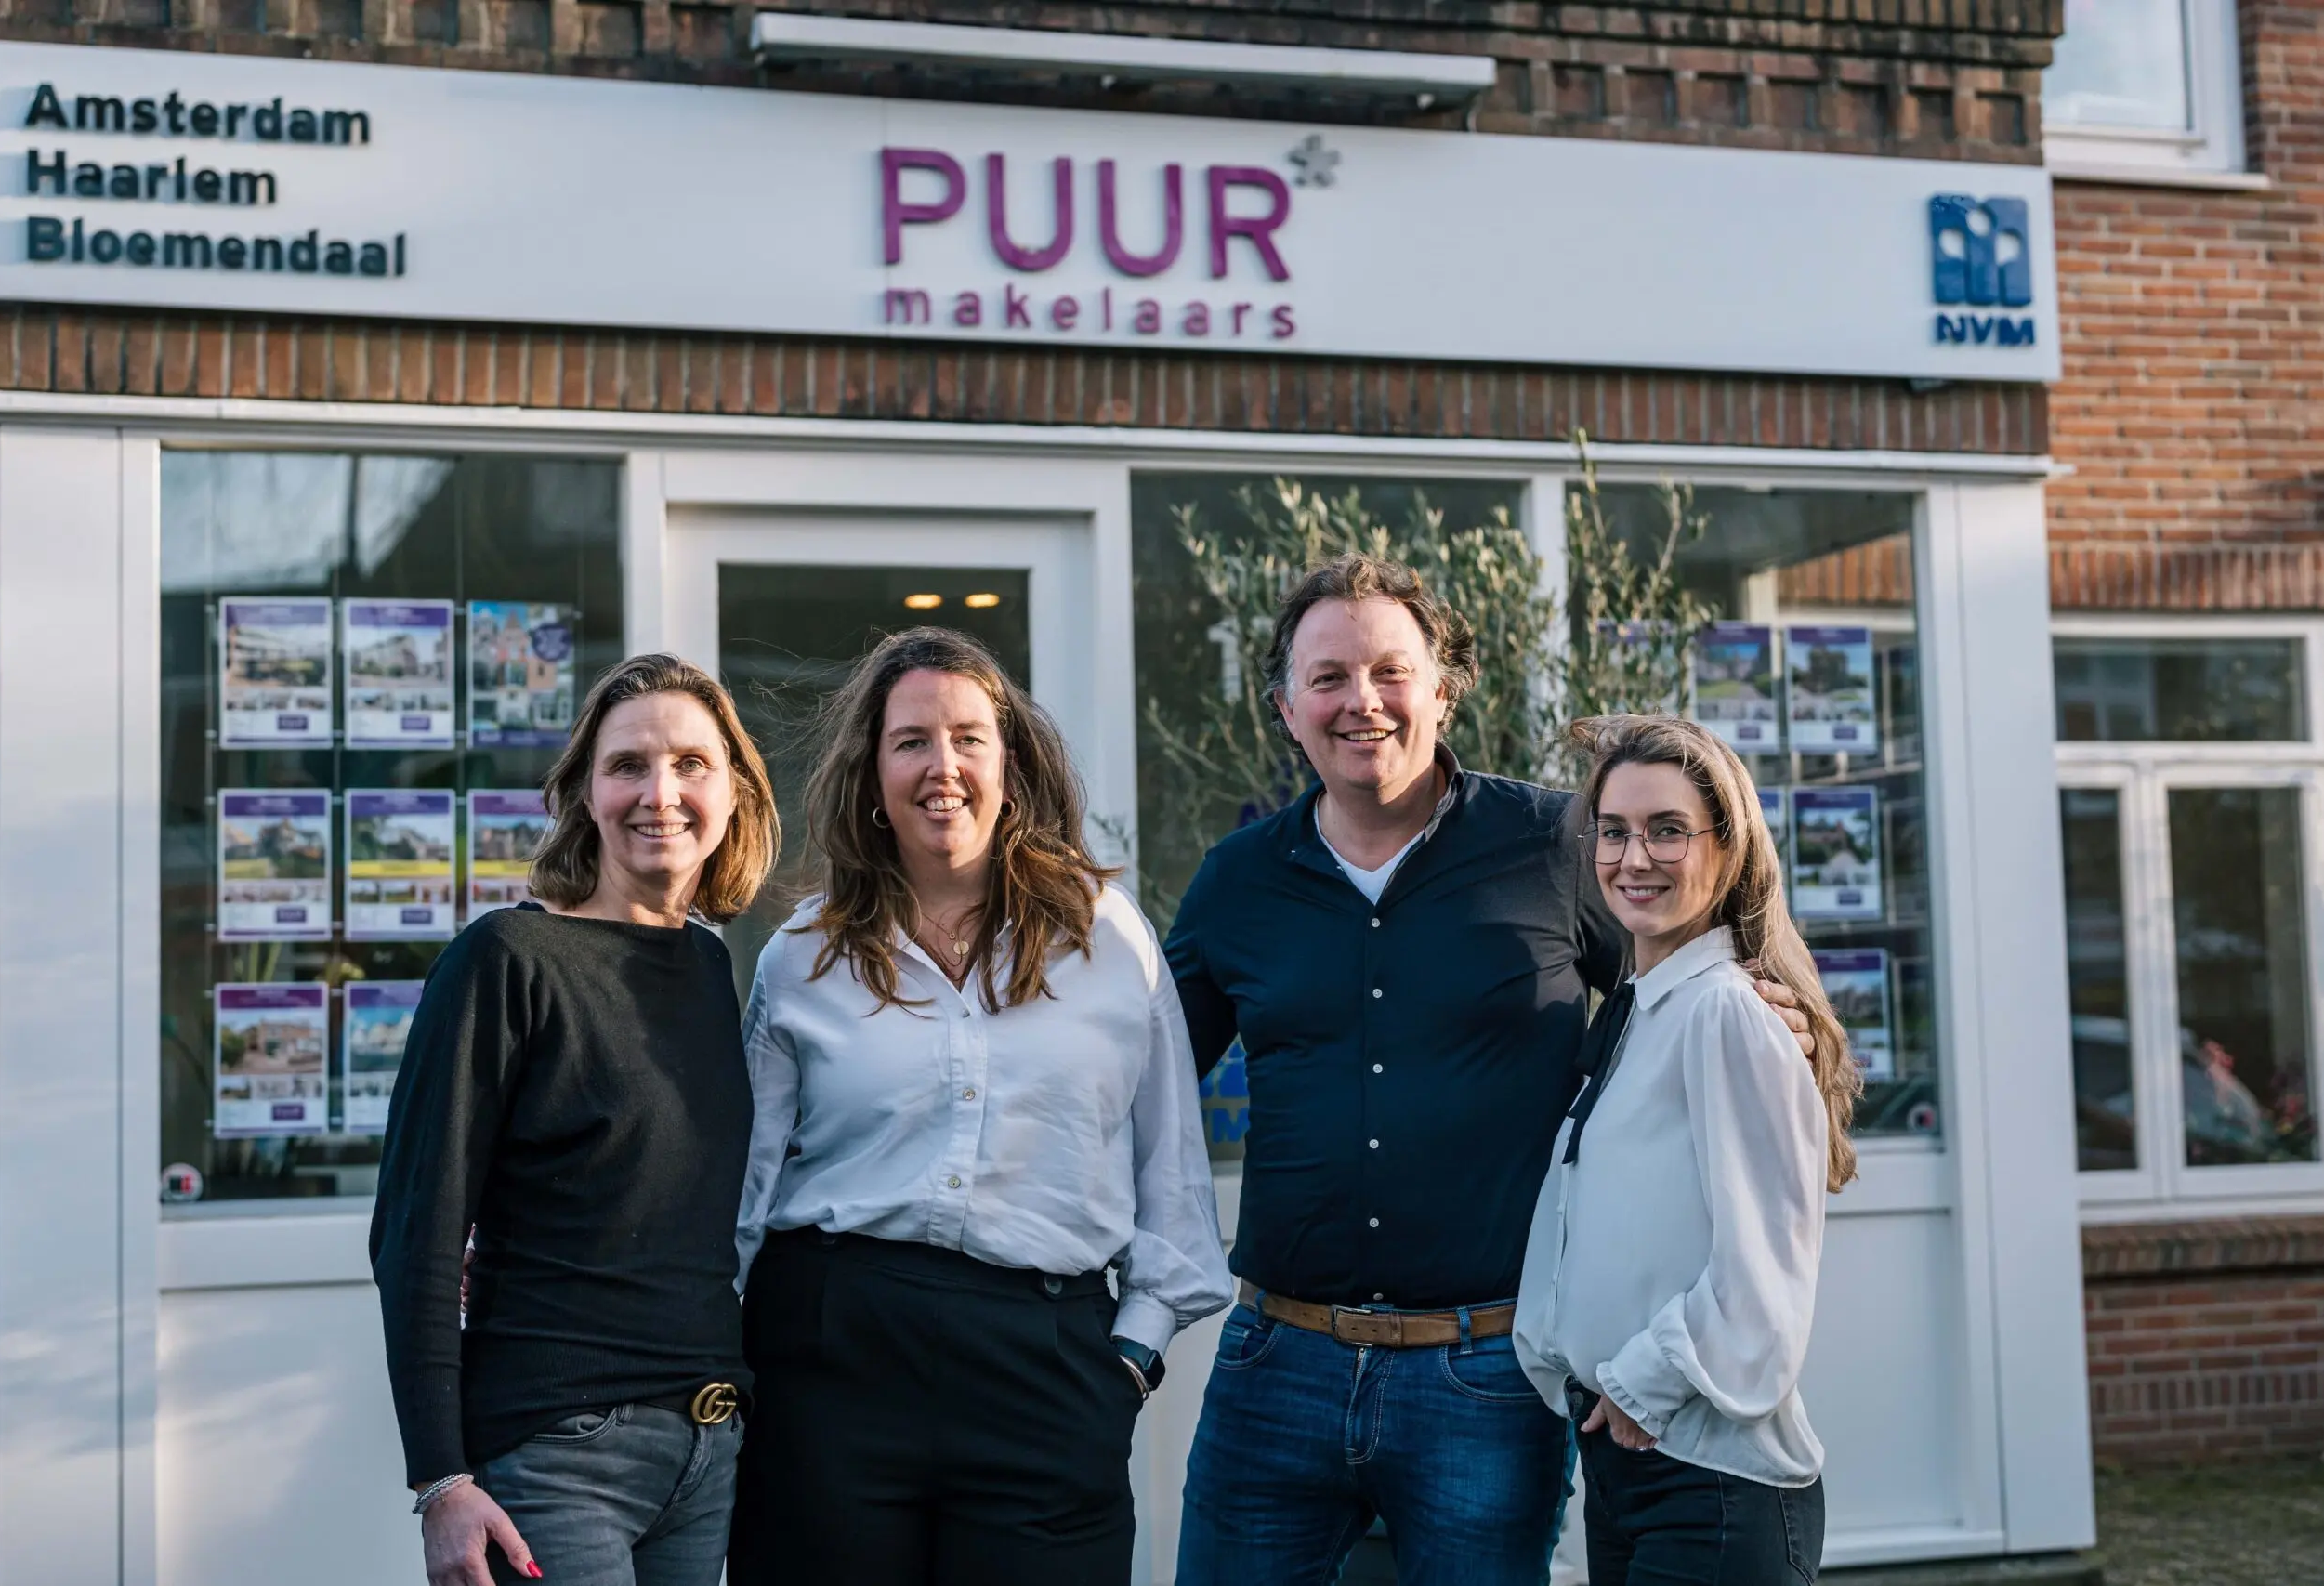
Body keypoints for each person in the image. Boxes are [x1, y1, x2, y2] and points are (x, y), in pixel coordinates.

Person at [1164, 554, 1811, 1586]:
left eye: (1388, 671)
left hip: (1487, 1374)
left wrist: (1766, 1001)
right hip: (1273, 1365)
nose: (1360, 702)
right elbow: (1139, 1085)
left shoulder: (1557, 845)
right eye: (1327, 678)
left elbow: (1676, 978)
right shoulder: (1237, 883)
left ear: (1443, 686)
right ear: (1286, 707)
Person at [732, 626, 1230, 1586]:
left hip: (1045, 1371)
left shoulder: (1108, 940)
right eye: (910, 740)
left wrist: (1126, 1360)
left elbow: (1168, 1172)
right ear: (871, 776)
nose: (942, 766)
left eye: (968, 736)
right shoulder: (801, 955)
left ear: (1012, 761)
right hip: (833, 1363)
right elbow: (742, 1194)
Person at [372, 653, 780, 1586]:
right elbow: (416, 1232)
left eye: (690, 765)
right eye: (627, 765)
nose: (659, 793)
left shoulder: (714, 971)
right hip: (559, 1457)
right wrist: (440, 1479)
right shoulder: (508, 958)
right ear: (584, 795)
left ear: (733, 794)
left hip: (709, 1449)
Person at [1515, 714, 1857, 1585]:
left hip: (1711, 1481)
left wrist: (1640, 1383)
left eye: (1668, 830)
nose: (1635, 858)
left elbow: (1766, 1275)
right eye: (1615, 831)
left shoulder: (1725, 1012)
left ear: (1728, 846)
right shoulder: (1637, 1006)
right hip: (1627, 1467)